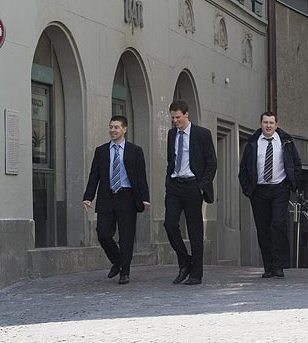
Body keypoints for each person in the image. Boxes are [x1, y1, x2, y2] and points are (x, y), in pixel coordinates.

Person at [82, 115, 150, 285]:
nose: (113, 130)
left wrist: (145, 199)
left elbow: (141, 177)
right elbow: (94, 175)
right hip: (107, 196)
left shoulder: (135, 151)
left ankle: (124, 271)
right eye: (111, 127)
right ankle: (118, 260)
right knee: (103, 233)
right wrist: (88, 196)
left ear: (124, 129)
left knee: (126, 236)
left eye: (116, 127)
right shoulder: (101, 151)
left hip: (127, 196)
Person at [239, 112, 302, 278]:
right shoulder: (253, 142)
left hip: (279, 189)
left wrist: (292, 183)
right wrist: (247, 189)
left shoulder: (285, 141)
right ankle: (268, 266)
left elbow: (296, 163)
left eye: (271, 123)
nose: (268, 125)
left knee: (278, 224)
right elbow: (244, 168)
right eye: (265, 122)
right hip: (259, 191)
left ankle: (279, 265)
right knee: (263, 229)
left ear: (276, 124)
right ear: (261, 123)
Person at [164, 99, 217, 286]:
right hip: (175, 185)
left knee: (195, 230)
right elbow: (172, 160)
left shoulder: (202, 134)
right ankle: (185, 261)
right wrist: (168, 182)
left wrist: (202, 185)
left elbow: (212, 162)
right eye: (172, 118)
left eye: (178, 117)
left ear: (186, 114)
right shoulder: (172, 135)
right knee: (169, 224)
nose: (175, 121)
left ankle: (196, 274)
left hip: (193, 186)